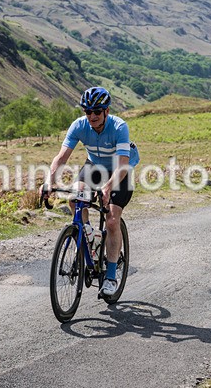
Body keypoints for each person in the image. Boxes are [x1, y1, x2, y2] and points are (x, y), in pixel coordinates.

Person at [42, 86, 139, 296]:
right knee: (75, 199)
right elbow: (61, 157)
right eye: (88, 111)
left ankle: (111, 277)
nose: (92, 116)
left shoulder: (119, 127)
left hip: (120, 169)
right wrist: (49, 182)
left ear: (106, 111)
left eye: (97, 111)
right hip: (94, 166)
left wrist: (108, 187)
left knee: (112, 219)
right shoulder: (79, 125)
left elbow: (123, 164)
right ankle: (89, 237)